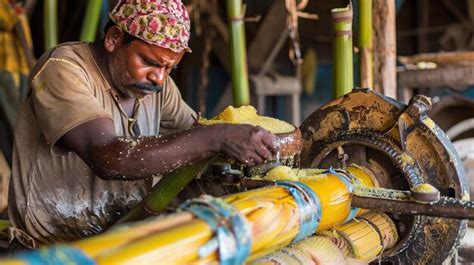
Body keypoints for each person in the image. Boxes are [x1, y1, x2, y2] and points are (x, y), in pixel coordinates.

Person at [7, 0, 278, 250]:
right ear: (114, 38)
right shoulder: (64, 68)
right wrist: (217, 137)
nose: (159, 78)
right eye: (149, 62)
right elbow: (108, 156)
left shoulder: (158, 87)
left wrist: (229, 162)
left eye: (169, 68)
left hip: (124, 246)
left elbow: (193, 137)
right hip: (49, 251)